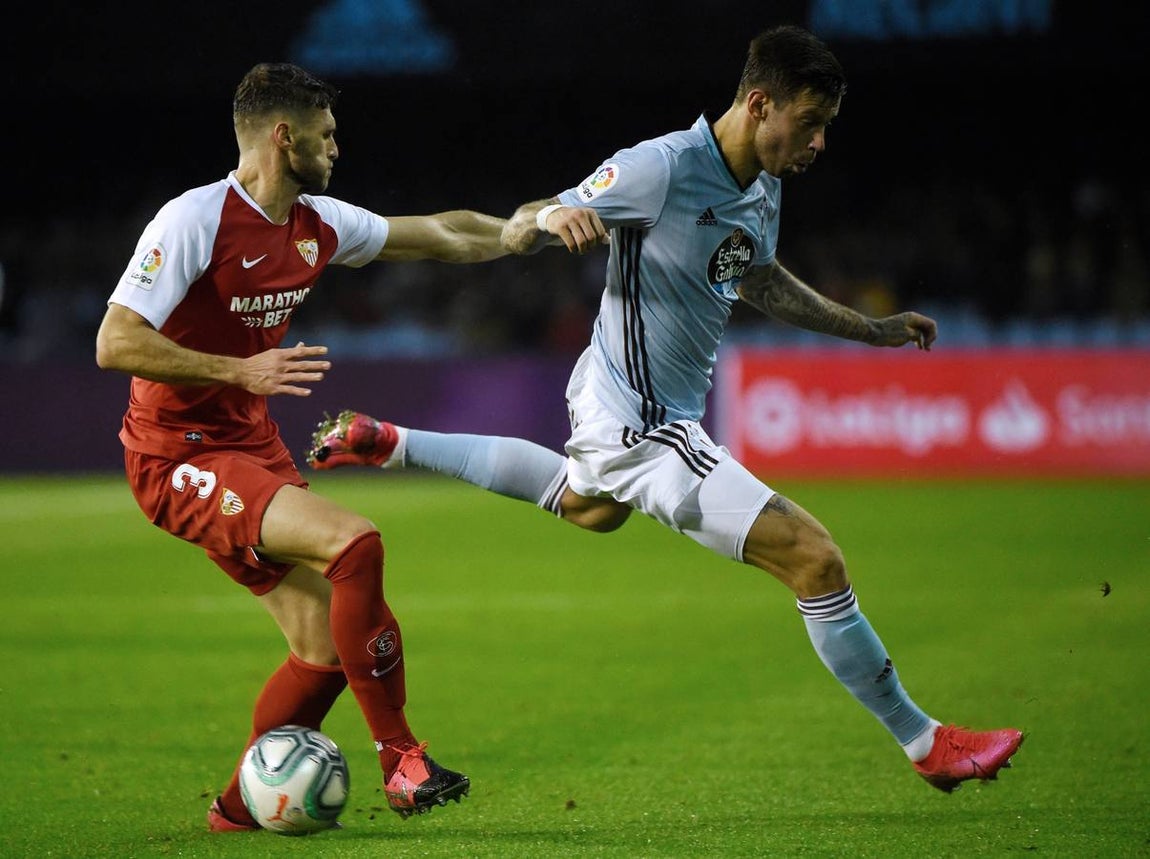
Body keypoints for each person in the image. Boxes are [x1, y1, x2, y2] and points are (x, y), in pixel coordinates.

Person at [309, 26, 1027, 794]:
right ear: (760, 104)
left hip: (627, 402)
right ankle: (926, 743)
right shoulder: (660, 168)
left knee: (589, 506)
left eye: (827, 126)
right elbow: (525, 218)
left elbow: (759, 279)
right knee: (815, 558)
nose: (820, 141)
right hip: (643, 421)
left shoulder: (762, 185)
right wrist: (551, 218)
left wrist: (869, 329)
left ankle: (390, 441)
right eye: (811, 121)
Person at [95, 62, 510, 832]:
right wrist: (237, 368)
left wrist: (529, 227)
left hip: (249, 446)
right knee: (355, 544)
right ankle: (402, 760)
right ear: (283, 138)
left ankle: (235, 813)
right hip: (175, 455)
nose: (336, 147)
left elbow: (437, 234)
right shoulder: (194, 220)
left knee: (322, 646)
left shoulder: (317, 221)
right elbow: (115, 341)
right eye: (325, 135)